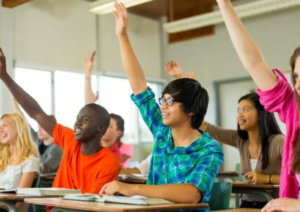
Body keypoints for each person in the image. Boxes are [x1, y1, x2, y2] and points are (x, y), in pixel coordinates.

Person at [100, 2, 224, 204]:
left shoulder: (208, 149)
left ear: (191, 110)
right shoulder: (162, 132)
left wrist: (134, 189)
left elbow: (192, 194)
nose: (163, 106)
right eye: (163, 100)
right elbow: (139, 86)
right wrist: (122, 35)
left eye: (170, 101)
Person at [0, 48, 120, 203]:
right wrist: (5, 77)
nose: (77, 122)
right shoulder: (70, 139)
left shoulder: (109, 162)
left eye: (85, 120)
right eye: (77, 118)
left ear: (101, 128)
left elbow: (90, 204)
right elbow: (36, 113)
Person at [215, 0, 300, 211]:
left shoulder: (277, 140)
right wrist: (224, 4)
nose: (297, 84)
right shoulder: (294, 111)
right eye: (296, 76)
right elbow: (254, 63)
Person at [165, 61, 284, 208]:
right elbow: (201, 123)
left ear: (261, 114)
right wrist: (182, 84)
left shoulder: (279, 142)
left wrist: (267, 178)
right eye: (238, 110)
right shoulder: (240, 140)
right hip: (247, 203)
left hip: (275, 204)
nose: (239, 115)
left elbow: (296, 178)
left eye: (245, 110)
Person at [84, 52, 133, 166]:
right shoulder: (94, 143)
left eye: (109, 126)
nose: (103, 127)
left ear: (118, 133)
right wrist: (88, 76)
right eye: (104, 124)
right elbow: (88, 111)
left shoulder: (115, 155)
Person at [12, 97, 63, 174]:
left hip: (48, 184)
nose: (39, 130)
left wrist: (22, 166)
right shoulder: (38, 141)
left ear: (51, 128)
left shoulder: (57, 148)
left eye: (42, 127)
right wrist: (13, 99)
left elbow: (44, 169)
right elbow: (24, 122)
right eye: (38, 127)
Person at [0, 113, 39, 211]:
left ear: (18, 128)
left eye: (4, 125)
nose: (0, 130)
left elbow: (17, 205)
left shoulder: (30, 162)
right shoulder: (2, 159)